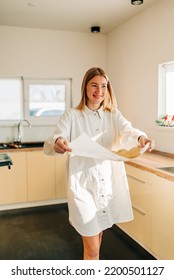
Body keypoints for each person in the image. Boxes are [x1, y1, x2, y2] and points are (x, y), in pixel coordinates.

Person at [44, 67, 154, 260]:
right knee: (93, 248)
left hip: (107, 184)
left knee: (99, 233)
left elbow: (129, 130)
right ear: (85, 87)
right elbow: (58, 135)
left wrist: (141, 138)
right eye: (94, 85)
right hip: (82, 186)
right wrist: (58, 142)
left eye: (103, 86)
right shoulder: (72, 115)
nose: (99, 91)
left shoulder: (113, 114)